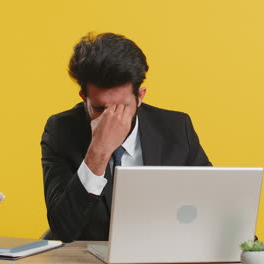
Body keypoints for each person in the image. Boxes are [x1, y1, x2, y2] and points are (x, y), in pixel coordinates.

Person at [41, 32, 211, 242]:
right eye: (99, 109)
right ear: (84, 98)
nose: (111, 118)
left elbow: (211, 204)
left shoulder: (176, 128)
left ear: (140, 97)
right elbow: (63, 228)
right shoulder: (61, 131)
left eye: (121, 107)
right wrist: (98, 153)